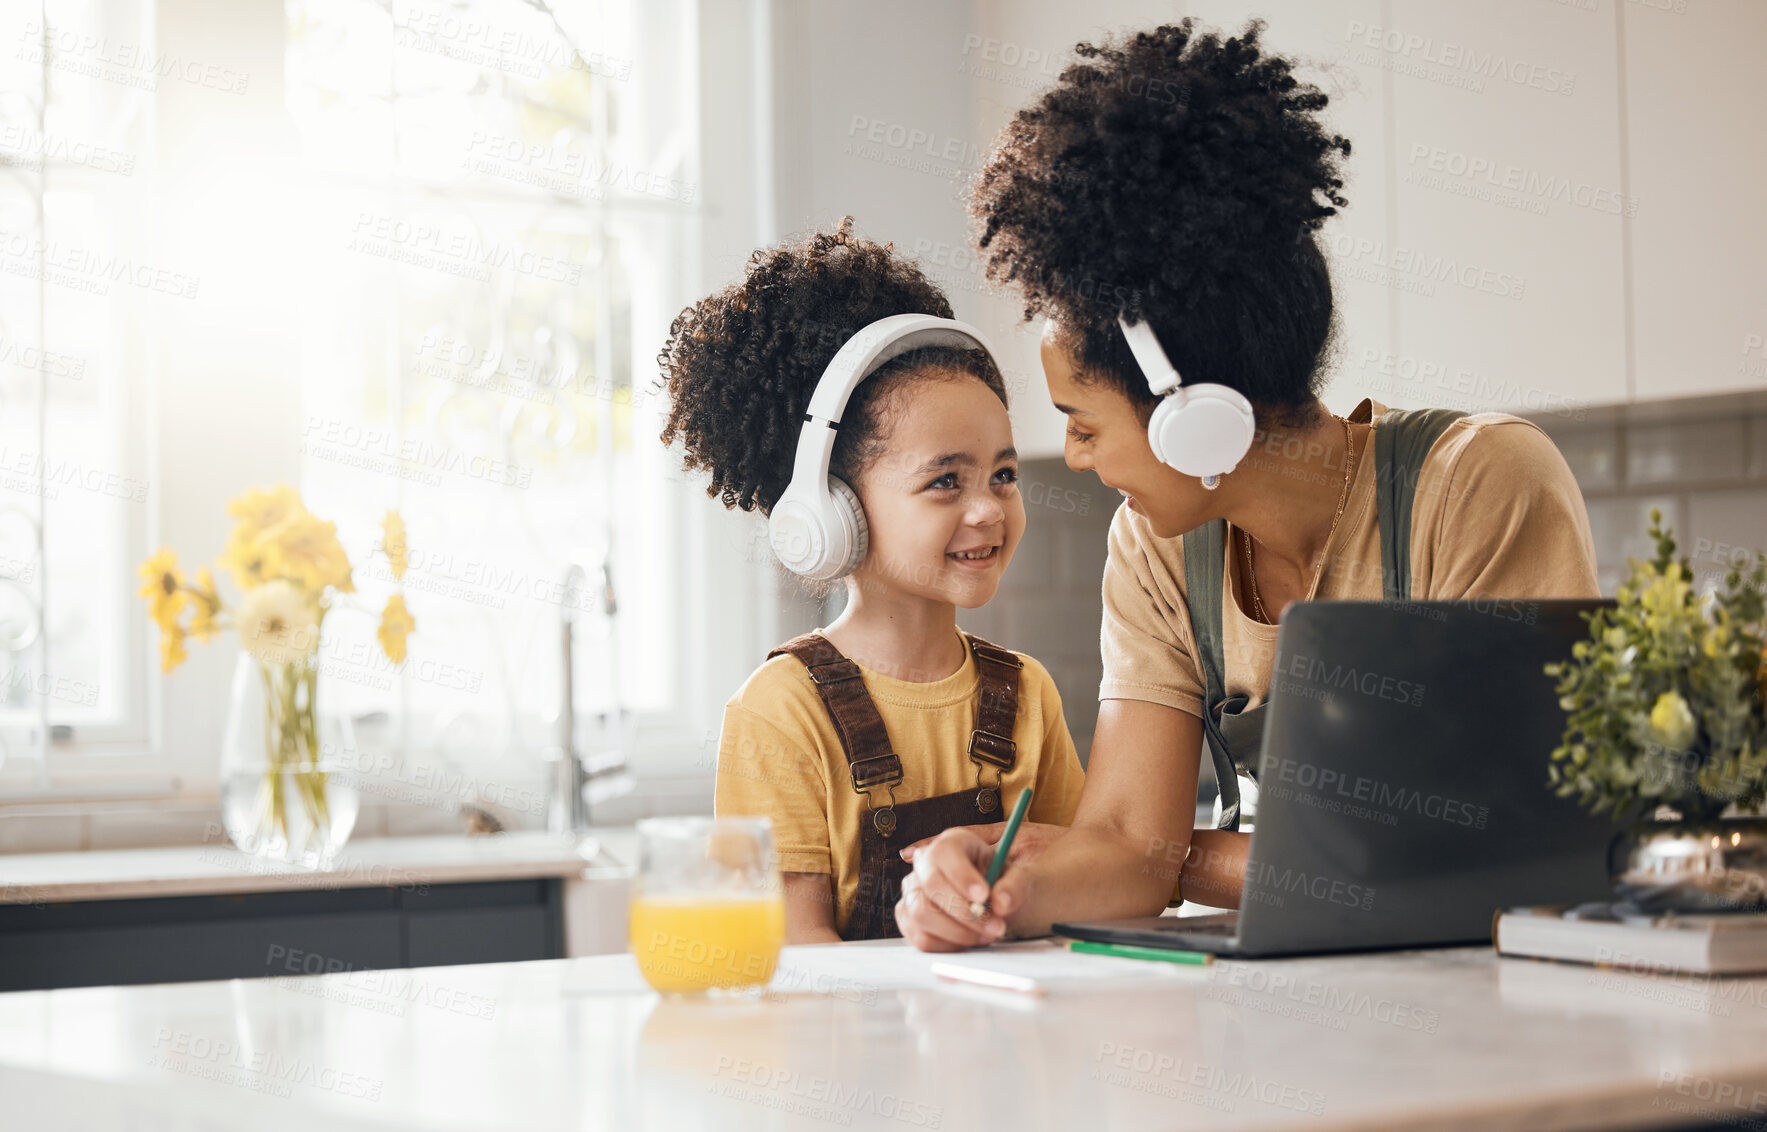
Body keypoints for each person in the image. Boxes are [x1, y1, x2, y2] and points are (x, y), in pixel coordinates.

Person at [893, 21, 1599, 951]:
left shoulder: (1477, 485)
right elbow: (1117, 851)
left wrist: (1173, 856)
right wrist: (985, 890)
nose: (1072, 453)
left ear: (1196, 414)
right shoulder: (1154, 547)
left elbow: (1507, 853)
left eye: (1086, 421)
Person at [658, 219, 1086, 943]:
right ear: (834, 509)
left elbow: (1079, 886)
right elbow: (798, 953)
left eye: (1003, 475)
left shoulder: (1027, 693)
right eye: (945, 481)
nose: (988, 508)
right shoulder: (779, 712)